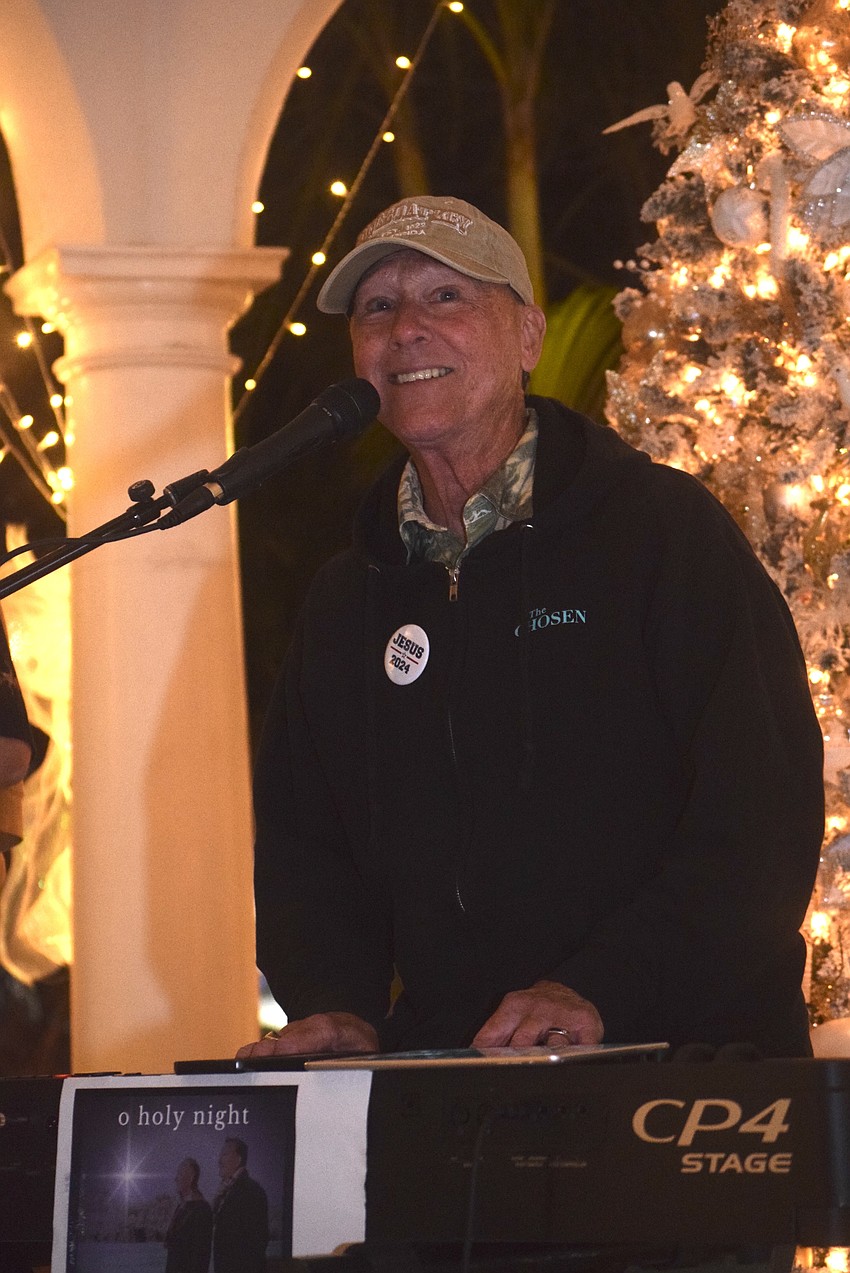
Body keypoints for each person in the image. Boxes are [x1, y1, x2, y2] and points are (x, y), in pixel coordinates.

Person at [238, 195, 824, 1063]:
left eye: (446, 297)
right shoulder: (346, 601)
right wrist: (339, 1004)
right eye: (377, 308)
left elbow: (761, 812)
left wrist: (602, 988)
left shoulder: (661, 533)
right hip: (457, 1083)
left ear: (528, 338)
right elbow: (305, 850)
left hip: (689, 1073)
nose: (406, 330)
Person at [212, 1137, 269, 1273]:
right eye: (220, 1155)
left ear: (238, 1159)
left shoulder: (251, 1192)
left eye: (224, 1155)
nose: (219, 1160)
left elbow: (256, 1243)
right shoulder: (226, 1191)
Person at [163, 1157, 213, 1273]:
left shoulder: (201, 1209)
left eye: (180, 1174)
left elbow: (200, 1255)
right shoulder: (182, 1207)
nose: (176, 1179)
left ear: (191, 1177)